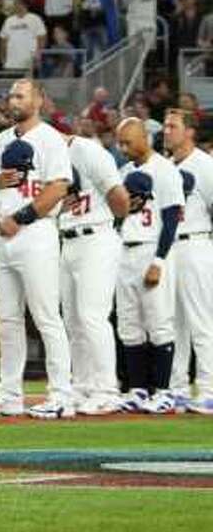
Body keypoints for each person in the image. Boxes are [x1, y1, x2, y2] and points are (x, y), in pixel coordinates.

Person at [0, 77, 75, 419]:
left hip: (36, 232)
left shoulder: (51, 139)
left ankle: (61, 395)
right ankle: (9, 394)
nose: (14, 100)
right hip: (1, 235)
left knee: (45, 316)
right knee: (6, 318)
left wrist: (21, 217)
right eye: (11, 94)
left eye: (21, 95)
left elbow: (58, 188)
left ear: (39, 100)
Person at [58, 108, 130, 416]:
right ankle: (83, 385)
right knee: (73, 320)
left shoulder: (88, 150)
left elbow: (121, 200)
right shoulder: (52, 159)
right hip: (68, 239)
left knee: (92, 316)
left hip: (96, 238)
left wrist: (101, 219)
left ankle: (107, 390)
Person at [113, 117, 184, 412]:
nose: (123, 147)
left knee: (159, 322)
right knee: (129, 325)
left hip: (151, 249)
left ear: (145, 137)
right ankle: (139, 390)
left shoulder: (165, 170)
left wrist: (159, 260)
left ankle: (164, 391)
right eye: (120, 142)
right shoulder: (125, 171)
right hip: (124, 251)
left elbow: (171, 219)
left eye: (128, 141)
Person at [162, 108, 213, 411]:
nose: (167, 131)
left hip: (196, 244)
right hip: (169, 248)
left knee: (201, 320)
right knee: (173, 322)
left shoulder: (206, 166)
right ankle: (178, 387)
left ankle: (209, 388)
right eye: (166, 126)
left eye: (173, 126)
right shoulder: (166, 166)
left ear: (190, 131)